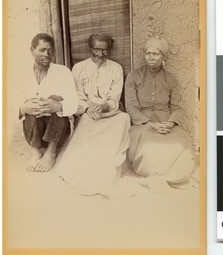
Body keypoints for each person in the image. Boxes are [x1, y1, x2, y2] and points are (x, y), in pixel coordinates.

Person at [55, 34, 131, 197]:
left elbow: (114, 97)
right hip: (88, 113)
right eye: (97, 49)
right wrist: (89, 109)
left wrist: (102, 107)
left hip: (109, 112)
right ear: (90, 48)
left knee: (124, 119)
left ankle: (106, 162)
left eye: (105, 50)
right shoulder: (79, 68)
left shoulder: (116, 68)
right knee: (86, 122)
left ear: (109, 50)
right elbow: (77, 96)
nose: (101, 54)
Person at [125, 37, 194, 192]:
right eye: (148, 53)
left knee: (180, 142)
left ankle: (174, 176)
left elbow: (177, 107)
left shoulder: (171, 79)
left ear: (164, 56)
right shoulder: (133, 76)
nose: (151, 57)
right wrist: (150, 124)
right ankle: (154, 175)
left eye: (155, 54)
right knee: (149, 145)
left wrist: (170, 123)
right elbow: (131, 106)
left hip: (166, 122)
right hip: (142, 123)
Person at [19, 33, 78, 172]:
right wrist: (24, 108)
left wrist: (57, 106)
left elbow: (75, 103)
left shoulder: (63, 72)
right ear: (32, 50)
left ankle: (50, 154)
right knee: (32, 102)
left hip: (57, 134)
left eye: (50, 50)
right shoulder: (22, 73)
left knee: (54, 98)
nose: (47, 54)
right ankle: (36, 152)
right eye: (42, 50)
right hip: (33, 133)